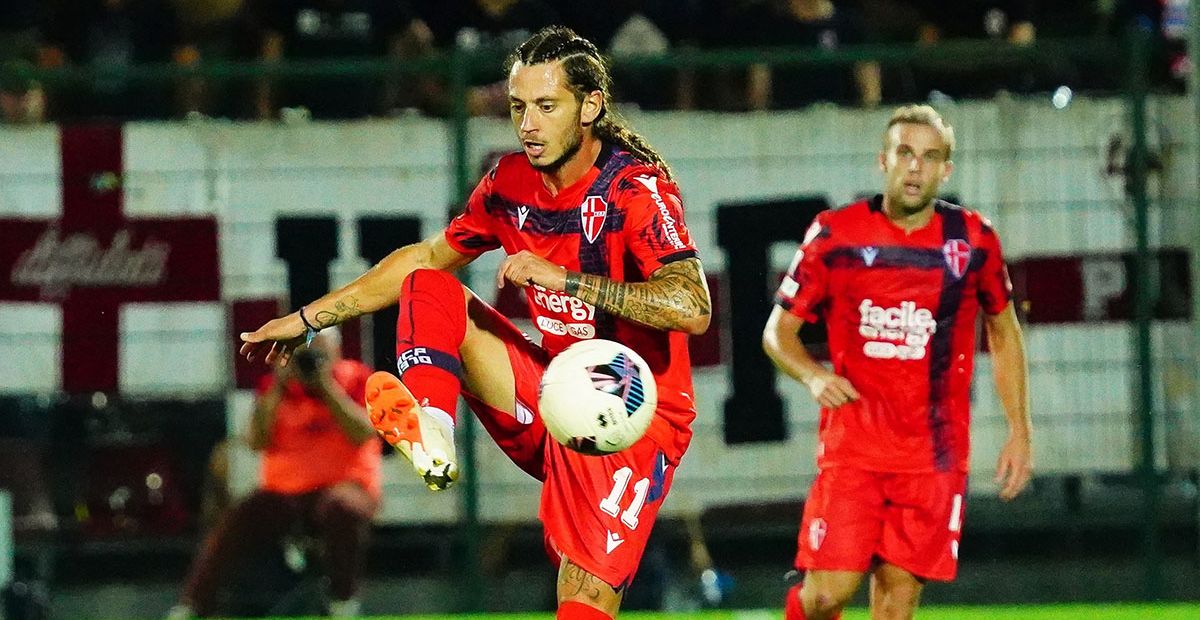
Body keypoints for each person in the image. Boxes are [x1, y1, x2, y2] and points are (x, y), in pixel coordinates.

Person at [239, 25, 711, 619]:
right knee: (428, 285)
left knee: (584, 600)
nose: (528, 125)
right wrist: (309, 317)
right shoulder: (510, 184)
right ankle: (432, 427)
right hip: (553, 389)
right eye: (518, 108)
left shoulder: (638, 192)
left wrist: (564, 281)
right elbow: (422, 259)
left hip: (630, 417)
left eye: (546, 106)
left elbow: (691, 307)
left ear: (590, 106)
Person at [762, 104, 1032, 620]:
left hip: (932, 457)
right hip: (853, 451)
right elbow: (778, 333)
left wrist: (1020, 430)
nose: (916, 167)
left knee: (895, 607)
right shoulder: (835, 235)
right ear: (882, 160)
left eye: (930, 157)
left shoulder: (973, 241)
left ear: (946, 171)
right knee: (824, 597)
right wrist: (813, 376)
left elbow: (1003, 329)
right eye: (905, 153)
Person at [168, 329, 380, 619]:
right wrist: (278, 389)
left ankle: (342, 601)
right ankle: (194, 605)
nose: (308, 363)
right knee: (241, 517)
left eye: (317, 355)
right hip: (286, 494)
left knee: (341, 509)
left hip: (346, 487)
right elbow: (256, 441)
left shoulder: (358, 379)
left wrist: (327, 388)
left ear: (337, 354)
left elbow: (364, 433)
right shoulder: (276, 388)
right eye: (302, 356)